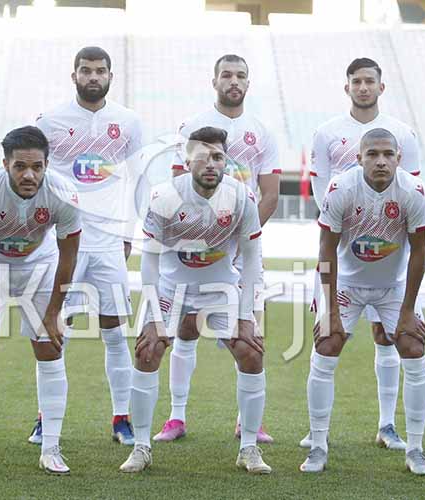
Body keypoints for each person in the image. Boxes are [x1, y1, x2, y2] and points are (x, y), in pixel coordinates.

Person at [119, 126, 269, 474]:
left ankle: (249, 448)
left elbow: (252, 258)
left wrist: (247, 315)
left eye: (218, 157)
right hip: (172, 289)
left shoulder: (242, 197)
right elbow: (150, 261)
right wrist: (154, 316)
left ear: (226, 161)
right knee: (147, 350)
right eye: (202, 157)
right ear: (186, 162)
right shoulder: (164, 196)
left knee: (251, 351)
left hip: (221, 290)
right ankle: (141, 447)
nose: (211, 164)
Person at [302, 57, 422, 450]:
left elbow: (409, 194)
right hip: (342, 245)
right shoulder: (327, 132)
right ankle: (317, 430)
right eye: (357, 81)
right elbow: (322, 191)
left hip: (387, 253)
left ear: (381, 87)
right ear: (347, 86)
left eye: (370, 81)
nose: (364, 87)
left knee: (387, 336)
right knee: (327, 335)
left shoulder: (402, 133)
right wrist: (348, 226)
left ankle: (387, 424)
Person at [161, 53, 279, 444]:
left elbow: (270, 194)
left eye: (240, 75)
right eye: (226, 75)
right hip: (198, 247)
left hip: (242, 247)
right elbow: (178, 191)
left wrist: (241, 239)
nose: (234, 81)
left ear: (248, 83)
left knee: (250, 332)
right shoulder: (191, 127)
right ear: (214, 81)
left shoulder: (262, 132)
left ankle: (249, 421)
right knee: (186, 328)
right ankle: (176, 417)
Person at [33, 46, 143, 446]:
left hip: (109, 243)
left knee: (114, 331)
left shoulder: (128, 122)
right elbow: (35, 179)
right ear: (74, 75)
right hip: (63, 243)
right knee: (52, 329)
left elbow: (139, 179)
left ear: (110, 76)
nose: (93, 76)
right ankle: (45, 419)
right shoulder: (50, 121)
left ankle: (122, 418)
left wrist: (129, 232)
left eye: (100, 70)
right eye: (86, 70)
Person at [0, 126, 81, 475]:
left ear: (46, 165)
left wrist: (54, 312)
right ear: (5, 164)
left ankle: (51, 448)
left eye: (37, 167)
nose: (29, 175)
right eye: (20, 166)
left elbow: (69, 256)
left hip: (40, 266)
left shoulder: (64, 195)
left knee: (50, 348)